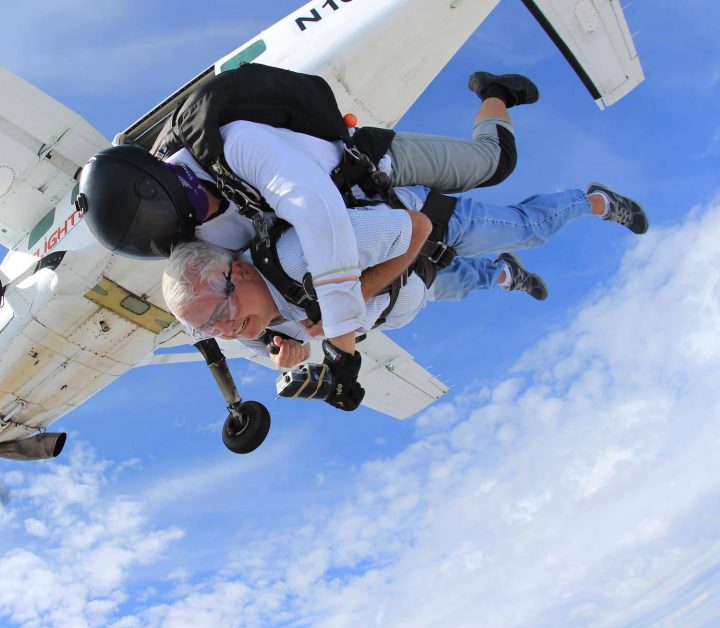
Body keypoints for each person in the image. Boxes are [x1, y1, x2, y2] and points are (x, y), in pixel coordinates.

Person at [78, 71, 539, 360]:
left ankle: (495, 92)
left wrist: (339, 335)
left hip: (368, 170)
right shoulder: (197, 234)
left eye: (198, 206)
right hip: (369, 219)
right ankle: (497, 271)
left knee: (492, 164)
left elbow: (318, 216)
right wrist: (279, 343)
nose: (208, 217)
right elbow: (248, 295)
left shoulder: (235, 143)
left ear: (170, 184)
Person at [160, 182, 648, 411]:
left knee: (526, 229)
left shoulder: (298, 255)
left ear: (238, 273)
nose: (222, 330)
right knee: (472, 283)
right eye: (207, 329)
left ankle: (595, 200)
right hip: (413, 289)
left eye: (219, 313)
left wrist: (336, 318)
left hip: (425, 232)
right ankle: (505, 275)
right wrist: (294, 355)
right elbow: (293, 350)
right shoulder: (249, 335)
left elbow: (413, 229)